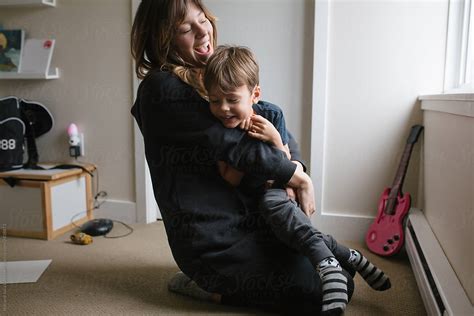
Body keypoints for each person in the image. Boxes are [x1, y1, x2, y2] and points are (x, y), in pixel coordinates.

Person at [130, 1, 386, 314]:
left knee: (338, 276)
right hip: (214, 243)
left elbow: (267, 120)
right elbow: (237, 146)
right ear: (162, 39)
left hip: (255, 221)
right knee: (320, 290)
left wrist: (295, 169)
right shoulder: (160, 89)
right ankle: (206, 286)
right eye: (186, 28)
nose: (202, 31)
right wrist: (297, 178)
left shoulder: (209, 79)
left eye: (202, 20)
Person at [202, 45, 391, 313]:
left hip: (279, 190)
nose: (223, 109)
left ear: (254, 94)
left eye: (232, 100)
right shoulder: (217, 130)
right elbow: (230, 179)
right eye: (214, 100)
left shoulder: (271, 114)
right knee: (278, 227)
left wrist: (275, 139)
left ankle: (328, 267)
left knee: (272, 203)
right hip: (249, 198)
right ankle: (347, 255)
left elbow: (288, 164)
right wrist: (246, 151)